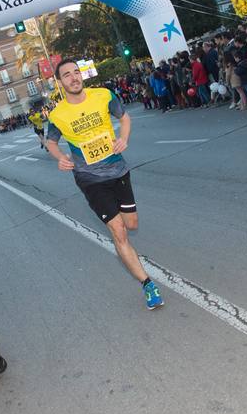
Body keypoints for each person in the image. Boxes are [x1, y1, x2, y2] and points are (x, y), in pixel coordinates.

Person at [43, 58, 163, 310]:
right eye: (67, 75)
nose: (74, 77)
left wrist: (124, 138)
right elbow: (51, 141)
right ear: (60, 82)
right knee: (118, 230)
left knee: (131, 224)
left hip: (118, 170)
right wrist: (60, 158)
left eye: (76, 72)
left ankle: (132, 256)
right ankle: (147, 284)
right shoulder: (58, 114)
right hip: (90, 180)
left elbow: (125, 117)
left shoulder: (103, 95)